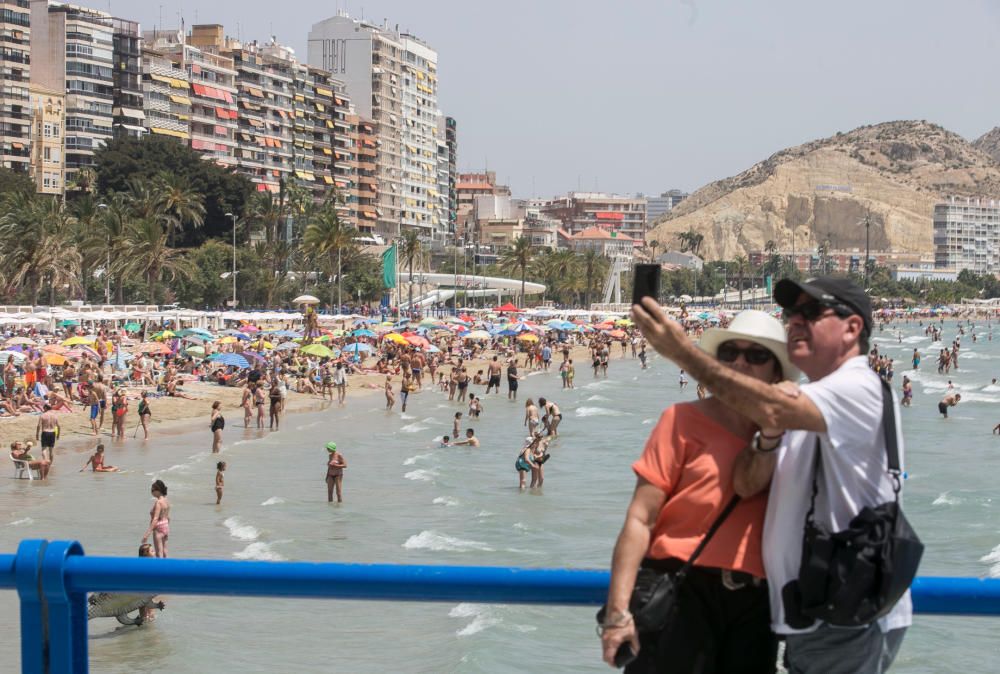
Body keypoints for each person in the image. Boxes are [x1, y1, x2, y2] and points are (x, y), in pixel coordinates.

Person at [632, 276, 912, 673]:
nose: (795, 321)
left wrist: (683, 352)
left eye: (811, 312)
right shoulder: (810, 401)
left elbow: (771, 409)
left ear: (853, 328)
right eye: (791, 313)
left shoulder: (858, 386)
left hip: (847, 615)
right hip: (812, 613)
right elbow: (747, 483)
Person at [600, 309, 793, 672]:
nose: (739, 362)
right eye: (728, 353)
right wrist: (617, 612)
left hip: (756, 604)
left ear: (776, 371)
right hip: (680, 590)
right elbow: (641, 519)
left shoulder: (793, 435)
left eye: (755, 355)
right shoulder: (681, 420)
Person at [141, 480, 170, 558]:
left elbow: (155, 519)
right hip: (166, 526)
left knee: (158, 552)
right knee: (165, 551)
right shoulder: (166, 501)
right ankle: (167, 567)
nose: (152, 492)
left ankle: (160, 569)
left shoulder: (158, 502)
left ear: (158, 490)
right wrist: (166, 526)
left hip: (159, 527)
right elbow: (168, 517)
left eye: (153, 490)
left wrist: (147, 534)